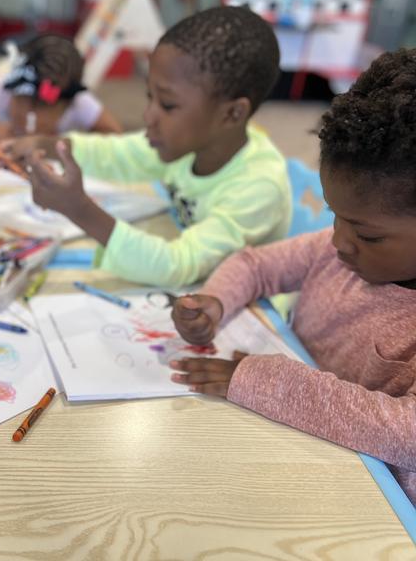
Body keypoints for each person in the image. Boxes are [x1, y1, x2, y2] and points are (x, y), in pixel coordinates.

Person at [170, 48, 416, 504]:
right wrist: (215, 301)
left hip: (372, 503)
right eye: (334, 214)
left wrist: (271, 383)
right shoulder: (338, 248)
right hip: (294, 444)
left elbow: (407, 435)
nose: (338, 241)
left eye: (367, 234)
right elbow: (256, 265)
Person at [0, 6, 291, 288]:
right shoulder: (190, 143)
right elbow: (117, 154)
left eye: (168, 105)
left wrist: (78, 208)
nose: (148, 116)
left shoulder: (259, 188)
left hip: (249, 309)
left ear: (232, 114)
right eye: (150, 97)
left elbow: (177, 264)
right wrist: (45, 145)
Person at [0, 33, 122, 150]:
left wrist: (63, 145)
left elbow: (116, 141)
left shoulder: (79, 102)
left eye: (43, 109)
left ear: (66, 106)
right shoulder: (0, 89)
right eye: (22, 102)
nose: (30, 123)